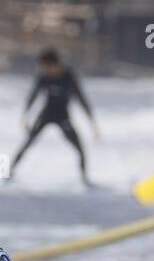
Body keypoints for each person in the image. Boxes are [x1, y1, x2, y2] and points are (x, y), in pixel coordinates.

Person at [9, 49, 98, 187]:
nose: (44, 70)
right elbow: (33, 96)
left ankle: (84, 179)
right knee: (28, 142)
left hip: (63, 116)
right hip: (46, 115)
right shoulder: (44, 77)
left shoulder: (69, 77)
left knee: (79, 148)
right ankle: (10, 173)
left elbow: (81, 98)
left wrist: (91, 121)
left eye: (46, 67)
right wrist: (25, 116)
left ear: (54, 64)